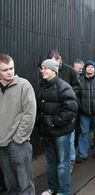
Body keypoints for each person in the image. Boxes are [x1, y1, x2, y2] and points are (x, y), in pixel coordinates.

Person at [38, 59, 78, 195]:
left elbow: (71, 109)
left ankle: (64, 191)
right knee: (50, 162)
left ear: (54, 71)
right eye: (41, 68)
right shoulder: (43, 86)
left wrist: (55, 122)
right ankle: (53, 188)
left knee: (62, 163)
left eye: (45, 68)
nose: (42, 70)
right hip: (48, 132)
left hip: (60, 132)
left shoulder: (64, 87)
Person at [0, 54, 36, 194]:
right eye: (5, 70)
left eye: (11, 68)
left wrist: (18, 139)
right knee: (10, 184)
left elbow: (29, 113)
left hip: (18, 144)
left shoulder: (23, 85)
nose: (9, 72)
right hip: (1, 145)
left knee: (25, 184)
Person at [70, 59, 84, 174]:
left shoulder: (80, 77)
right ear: (74, 66)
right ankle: (71, 157)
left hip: (79, 107)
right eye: (80, 68)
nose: (81, 71)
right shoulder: (72, 76)